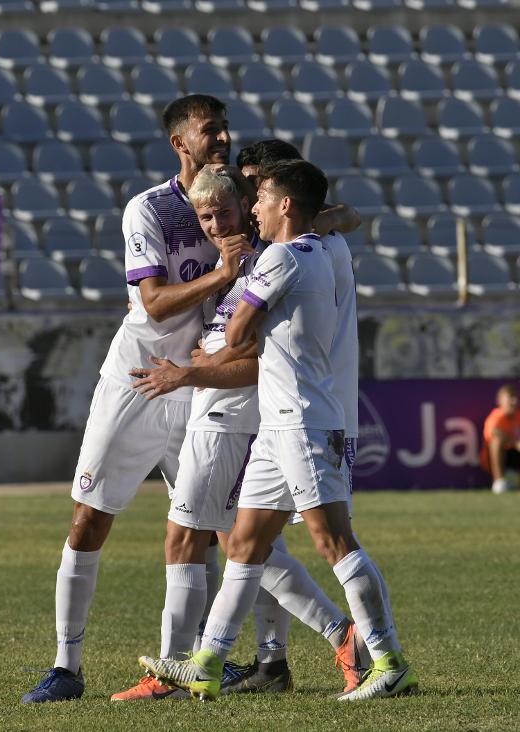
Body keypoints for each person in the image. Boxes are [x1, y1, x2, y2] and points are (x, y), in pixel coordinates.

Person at [139, 160, 417, 701]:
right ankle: (208, 662)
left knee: (332, 540)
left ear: (285, 205)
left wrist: (212, 352)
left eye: (262, 197)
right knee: (244, 543)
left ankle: (388, 659)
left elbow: (237, 329)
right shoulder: (325, 248)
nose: (255, 208)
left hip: (303, 422)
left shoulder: (281, 258)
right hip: (280, 422)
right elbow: (340, 222)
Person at [21, 94, 254, 704]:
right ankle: (66, 666)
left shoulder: (239, 202)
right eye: (210, 131)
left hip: (200, 381)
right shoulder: (147, 209)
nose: (223, 138)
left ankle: (202, 661)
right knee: (89, 518)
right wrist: (222, 276)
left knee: (211, 529)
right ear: (180, 143)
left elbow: (304, 219)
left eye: (225, 128)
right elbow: (150, 303)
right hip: (137, 378)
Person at [480, 383, 520, 493]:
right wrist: (516, 443)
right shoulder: (496, 416)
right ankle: (499, 482)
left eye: (516, 397)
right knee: (496, 441)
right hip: (498, 457)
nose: (514, 401)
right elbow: (494, 433)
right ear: (499, 401)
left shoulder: (518, 416)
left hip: (515, 456)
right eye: (510, 398)